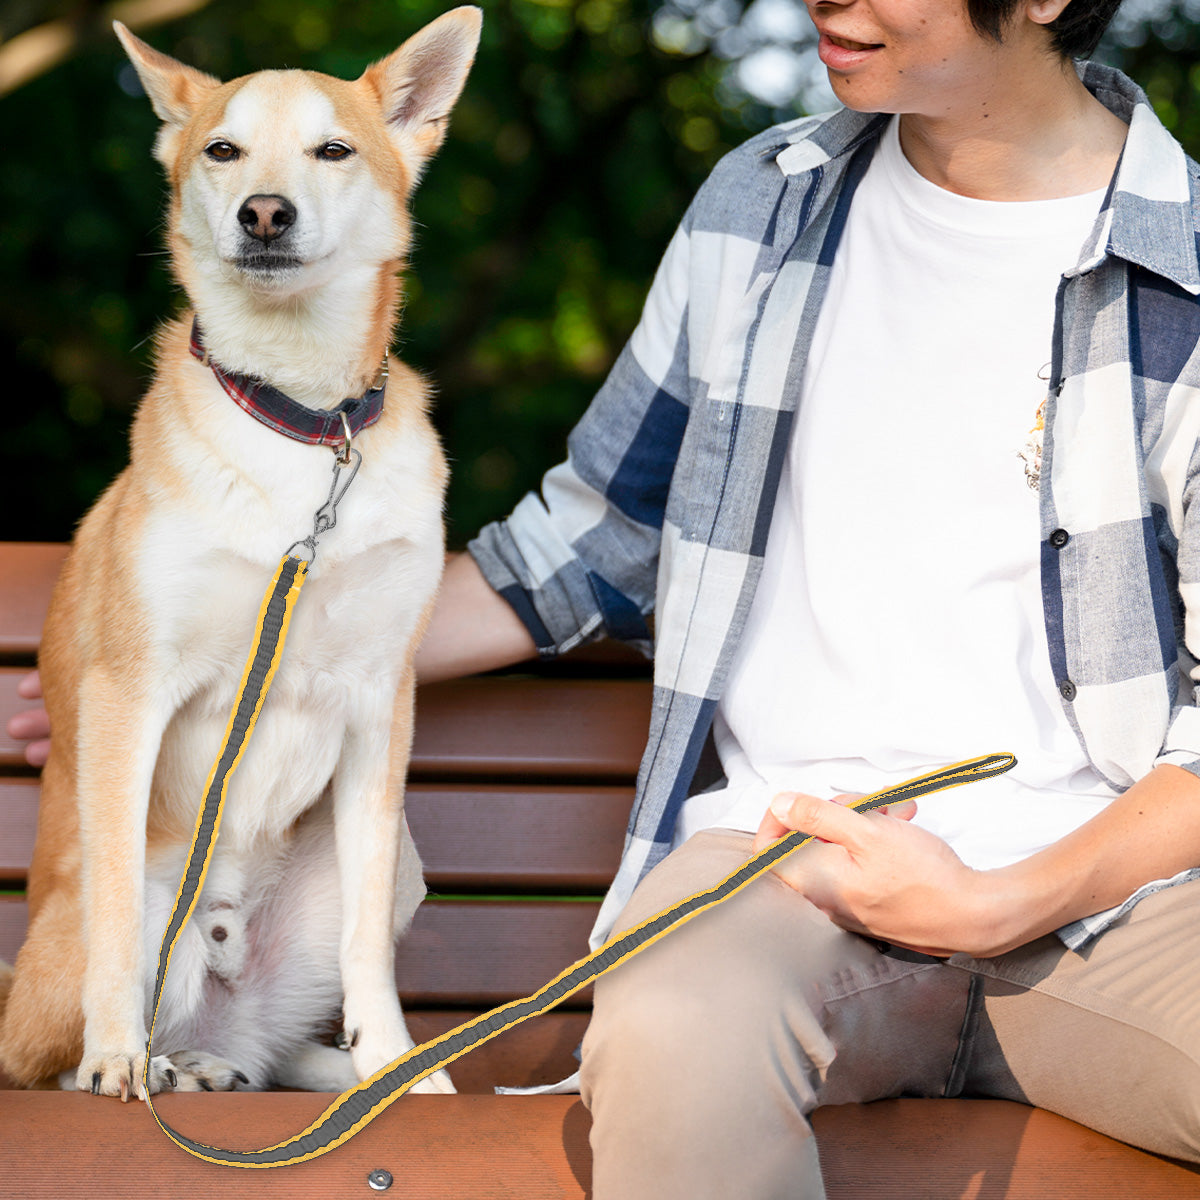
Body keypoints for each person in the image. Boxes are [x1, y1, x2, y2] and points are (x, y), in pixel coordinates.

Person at [12, 0, 1200, 1193]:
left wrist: (1002, 905)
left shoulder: (1186, 259)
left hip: (1117, 904)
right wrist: (186, 660)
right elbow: (590, 544)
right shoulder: (761, 204)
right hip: (778, 876)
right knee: (678, 1035)